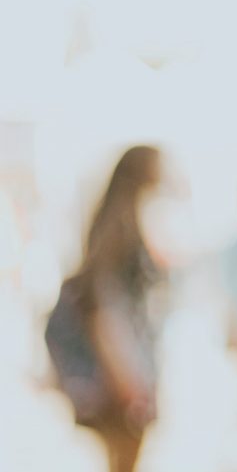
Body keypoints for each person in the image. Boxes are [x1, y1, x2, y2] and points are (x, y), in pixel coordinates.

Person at [46, 145, 175, 472]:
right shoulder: (123, 231)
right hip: (118, 381)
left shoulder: (120, 224)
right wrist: (131, 383)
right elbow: (104, 312)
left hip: (120, 378)